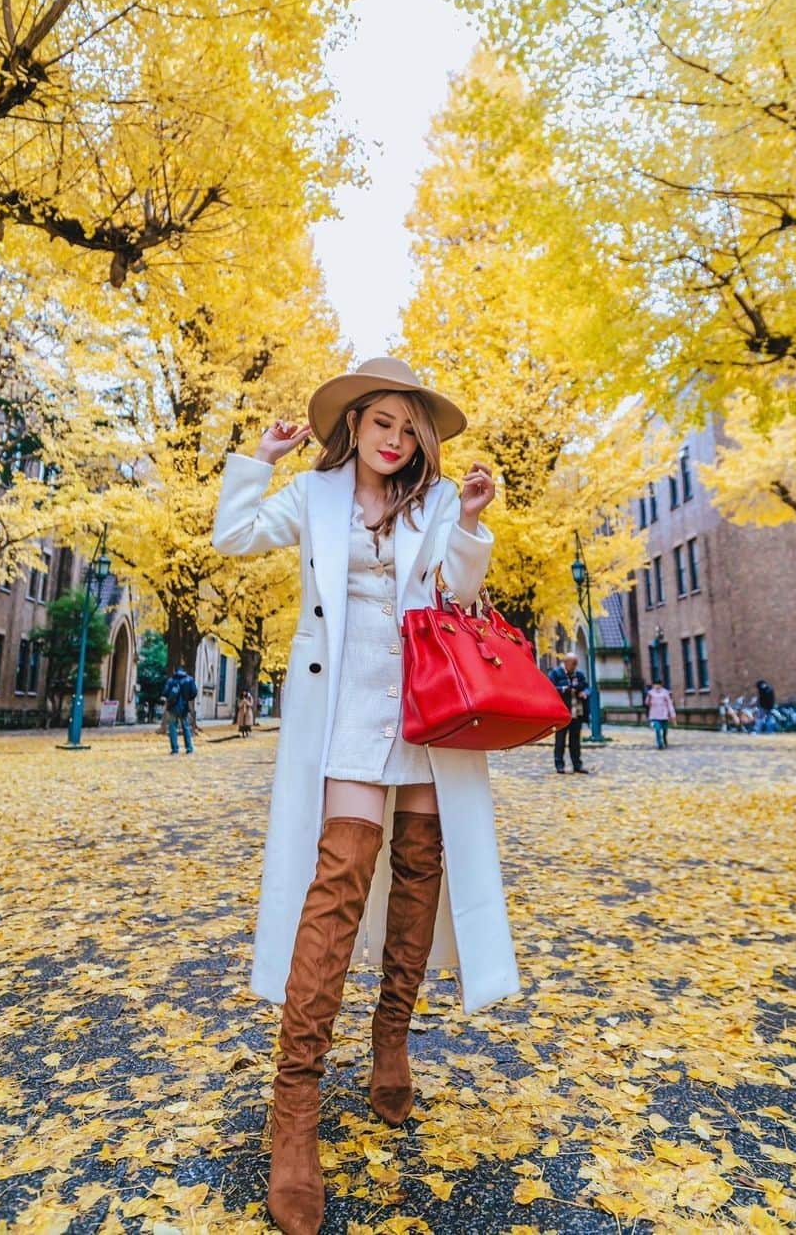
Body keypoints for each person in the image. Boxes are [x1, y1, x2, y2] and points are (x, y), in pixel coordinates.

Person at [212, 356, 518, 1235]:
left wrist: (468, 523)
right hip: (344, 702)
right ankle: (295, 1106)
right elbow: (233, 536)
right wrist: (259, 461)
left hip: (425, 705)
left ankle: (392, 1037)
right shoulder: (314, 498)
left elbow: (460, 591)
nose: (394, 437)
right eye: (380, 421)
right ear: (354, 424)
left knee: (422, 870)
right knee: (339, 879)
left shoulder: (433, 502)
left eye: (408, 426)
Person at [548, 653, 589, 773]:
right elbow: (550, 689)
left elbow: (587, 687)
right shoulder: (556, 674)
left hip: (576, 713)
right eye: (573, 664)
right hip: (562, 714)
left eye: (576, 664)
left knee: (575, 741)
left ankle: (577, 764)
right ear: (566, 663)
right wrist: (564, 689)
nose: (575, 667)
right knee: (560, 740)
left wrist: (585, 692)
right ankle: (559, 765)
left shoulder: (579, 675)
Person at [161, 664, 198, 754]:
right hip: (184, 707)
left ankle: (175, 749)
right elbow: (194, 693)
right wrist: (187, 698)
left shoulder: (171, 680)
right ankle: (189, 748)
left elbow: (165, 692)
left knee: (172, 727)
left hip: (172, 707)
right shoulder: (189, 679)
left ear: (175, 670)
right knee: (186, 727)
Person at [645, 679, 676, 749]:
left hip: (664, 715)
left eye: (658, 684)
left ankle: (664, 739)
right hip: (654, 715)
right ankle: (660, 744)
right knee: (657, 729)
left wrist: (673, 716)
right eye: (655, 684)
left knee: (665, 730)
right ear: (653, 685)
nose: (656, 686)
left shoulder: (665, 692)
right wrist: (648, 698)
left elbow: (670, 704)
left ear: (661, 685)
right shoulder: (650, 693)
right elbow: (647, 703)